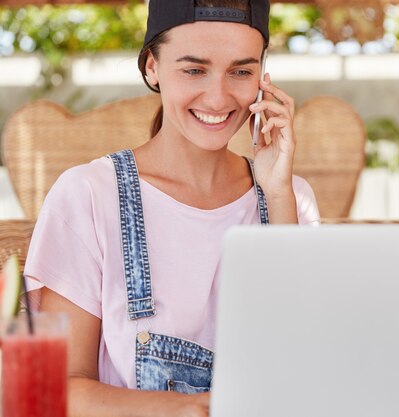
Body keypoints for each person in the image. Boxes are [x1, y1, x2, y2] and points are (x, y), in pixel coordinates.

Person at [23, 1, 320, 416]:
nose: (218, 97)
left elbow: (300, 368)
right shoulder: (88, 195)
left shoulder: (289, 197)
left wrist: (279, 196)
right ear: (151, 68)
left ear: (263, 78)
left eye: (241, 71)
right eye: (194, 69)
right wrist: (186, 409)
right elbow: (55, 392)